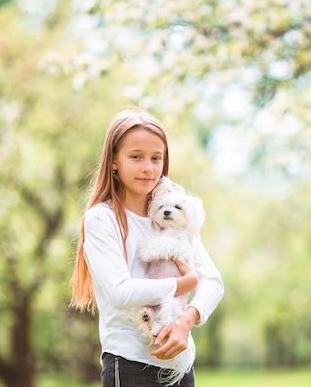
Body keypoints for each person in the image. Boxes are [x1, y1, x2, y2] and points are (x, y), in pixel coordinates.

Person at [71, 108, 224, 387]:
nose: (148, 168)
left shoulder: (171, 216)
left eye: (156, 158)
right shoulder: (102, 218)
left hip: (180, 364)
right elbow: (120, 292)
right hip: (130, 365)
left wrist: (186, 322)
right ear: (114, 161)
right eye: (136, 157)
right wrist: (181, 284)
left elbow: (212, 281)